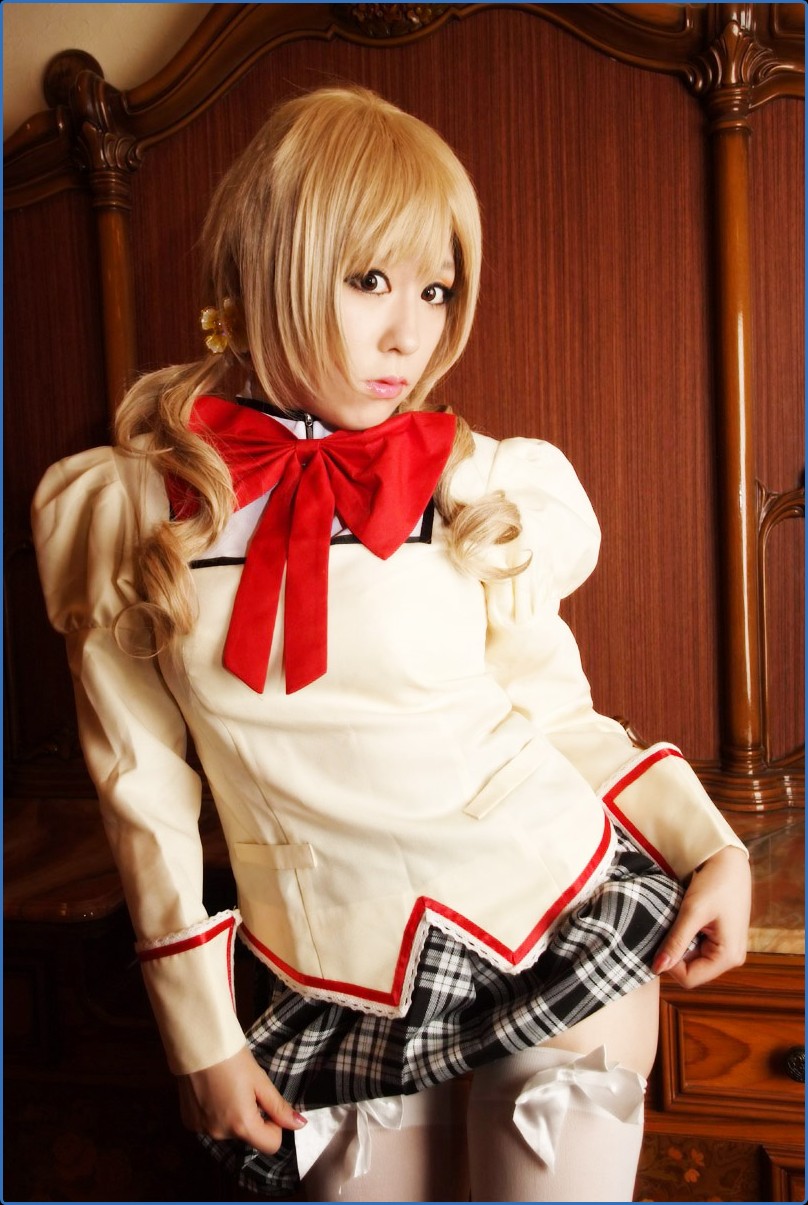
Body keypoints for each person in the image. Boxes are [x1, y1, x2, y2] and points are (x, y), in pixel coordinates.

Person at [32, 85, 751, 1203]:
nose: (410, 335)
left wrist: (711, 845)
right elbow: (143, 786)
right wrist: (197, 1031)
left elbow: (554, 713)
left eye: (435, 288)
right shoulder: (123, 509)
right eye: (370, 279)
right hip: (330, 975)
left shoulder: (473, 481)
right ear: (267, 265)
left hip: (553, 920)